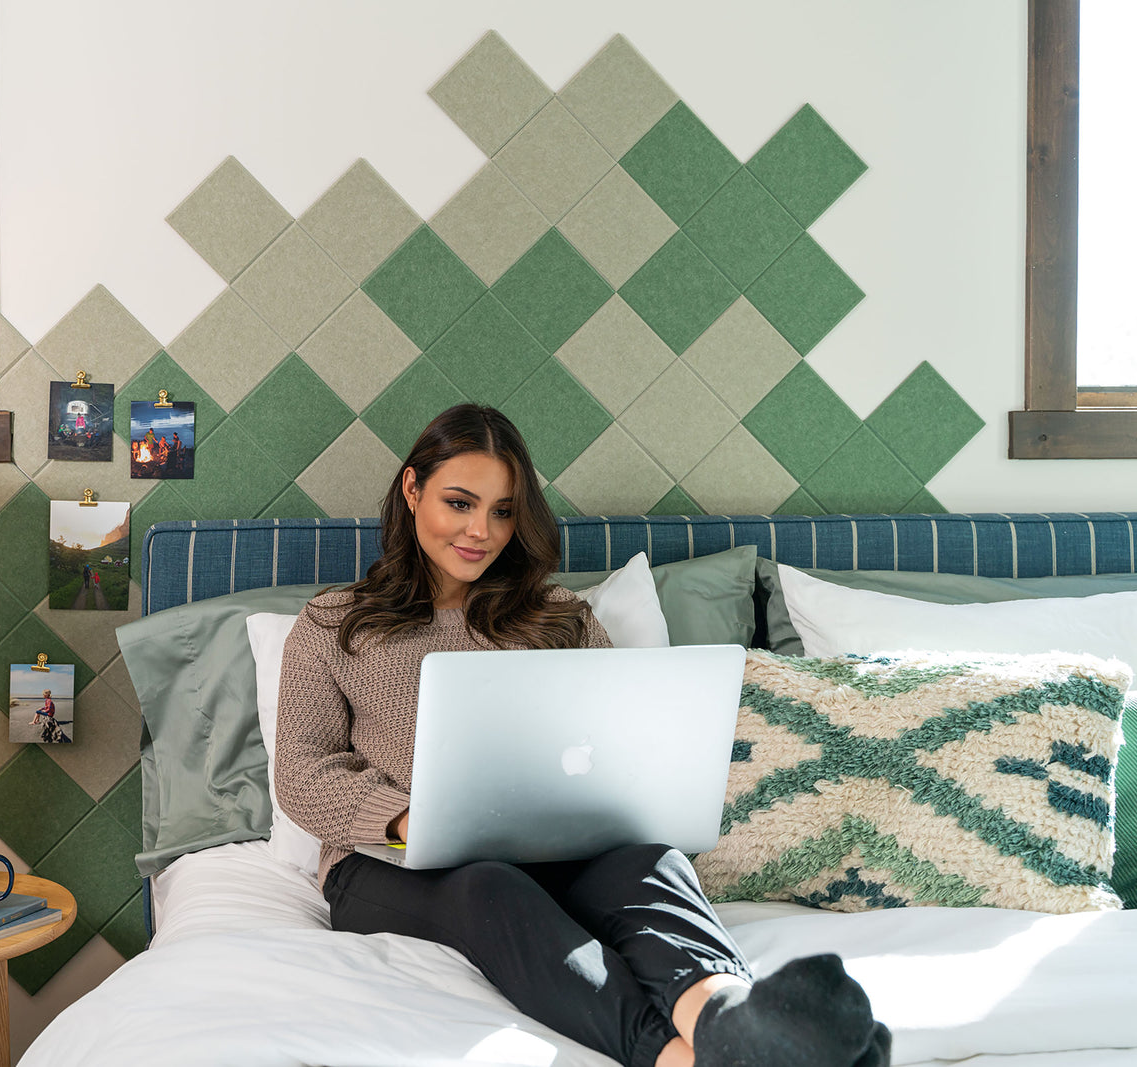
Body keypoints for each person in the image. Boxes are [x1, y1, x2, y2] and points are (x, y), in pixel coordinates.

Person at [273, 404, 891, 1067]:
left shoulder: (560, 617)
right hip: (387, 865)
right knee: (489, 886)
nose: (481, 530)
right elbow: (302, 770)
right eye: (460, 502)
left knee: (651, 861)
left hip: (553, 850)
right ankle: (677, 1058)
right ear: (412, 488)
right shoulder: (336, 622)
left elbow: (608, 746)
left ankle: (726, 1015)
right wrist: (407, 818)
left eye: (503, 511)